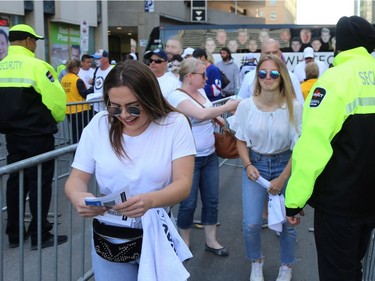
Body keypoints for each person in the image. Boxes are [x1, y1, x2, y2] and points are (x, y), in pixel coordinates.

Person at [64, 60, 196, 280]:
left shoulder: (175, 123)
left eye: (134, 107)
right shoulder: (99, 124)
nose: (124, 115)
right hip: (110, 234)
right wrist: (79, 197)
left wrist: (150, 201)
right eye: (114, 107)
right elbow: (76, 178)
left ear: (150, 98)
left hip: (156, 231)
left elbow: (183, 184)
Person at [285, 15, 375, 281]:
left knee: (339, 272)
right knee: (355, 266)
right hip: (370, 199)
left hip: (340, 203)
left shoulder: (332, 82)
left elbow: (313, 147)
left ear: (340, 45)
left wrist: (295, 200)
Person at [229, 54, 302, 281]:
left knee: (288, 224)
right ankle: (256, 262)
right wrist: (248, 164)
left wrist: (283, 178)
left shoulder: (295, 107)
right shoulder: (246, 106)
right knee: (251, 223)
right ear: (256, 76)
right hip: (255, 167)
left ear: (282, 77)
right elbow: (240, 139)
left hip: (285, 165)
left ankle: (287, 266)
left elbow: (298, 148)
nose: (267, 78)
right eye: (262, 73)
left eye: (273, 74)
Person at [0, 24, 67, 249]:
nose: (36, 44)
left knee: (16, 182)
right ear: (28, 41)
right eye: (35, 40)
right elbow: (56, 100)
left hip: (12, 136)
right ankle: (41, 235)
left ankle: (14, 234)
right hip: (38, 135)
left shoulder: (1, 67)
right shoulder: (38, 66)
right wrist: (56, 118)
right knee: (39, 184)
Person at [166, 57, 240, 258]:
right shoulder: (176, 97)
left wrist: (221, 121)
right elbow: (199, 114)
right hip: (189, 159)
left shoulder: (199, 92)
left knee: (211, 199)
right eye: (203, 74)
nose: (207, 78)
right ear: (189, 76)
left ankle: (211, 241)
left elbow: (207, 112)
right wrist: (228, 106)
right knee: (188, 202)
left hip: (209, 155)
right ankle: (184, 244)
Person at [237, 38, 305, 106]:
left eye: (274, 52)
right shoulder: (249, 77)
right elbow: (240, 102)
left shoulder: (292, 77)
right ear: (261, 55)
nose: (271, 56)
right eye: (267, 53)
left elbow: (300, 105)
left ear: (280, 54)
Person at [61, 59, 93, 143]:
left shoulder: (64, 79)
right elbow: (84, 94)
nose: (80, 69)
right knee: (81, 132)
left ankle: (75, 149)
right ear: (75, 67)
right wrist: (92, 88)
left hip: (69, 109)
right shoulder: (77, 80)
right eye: (79, 67)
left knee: (75, 132)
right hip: (80, 110)